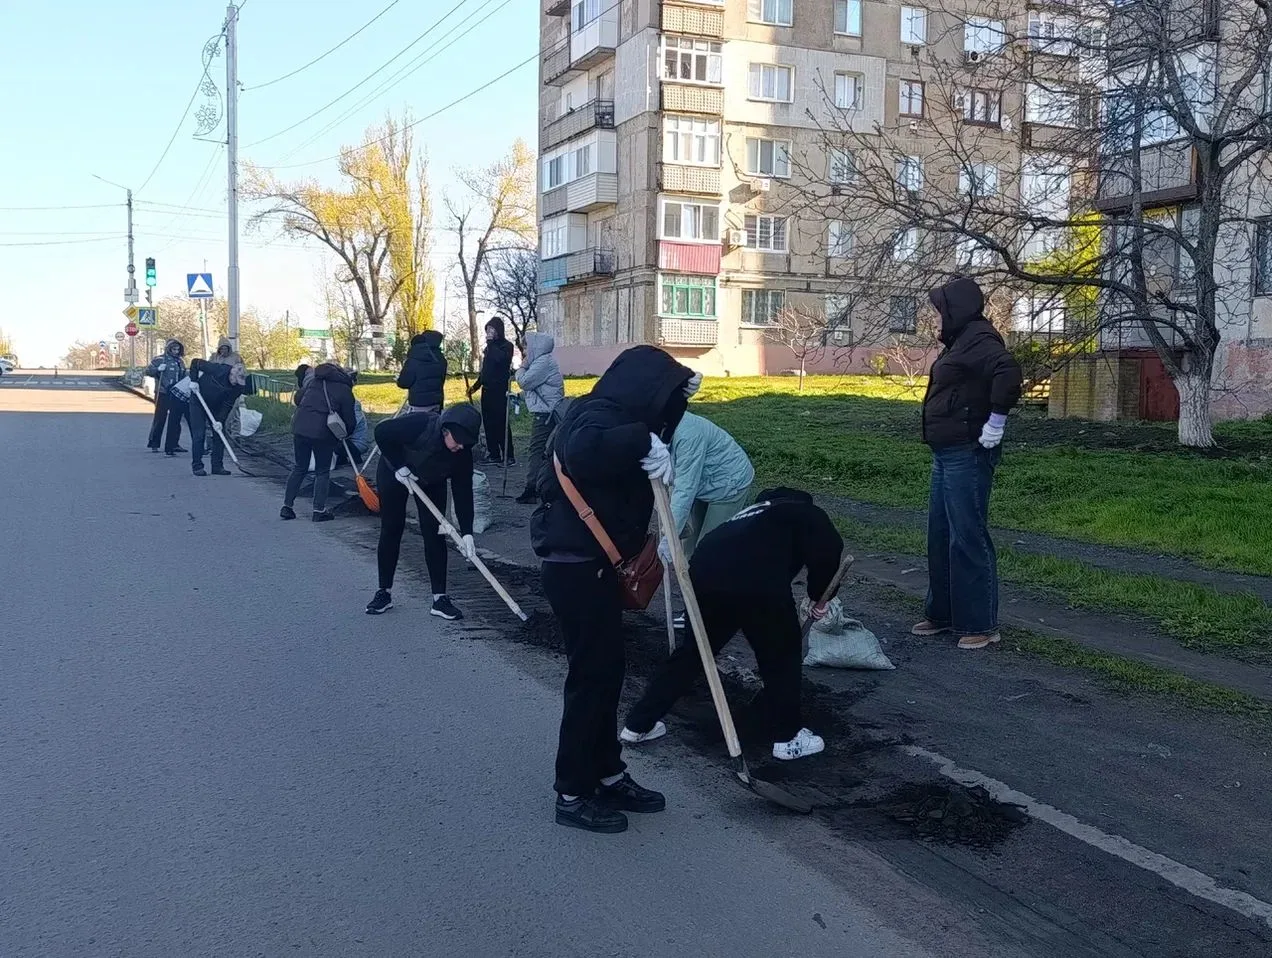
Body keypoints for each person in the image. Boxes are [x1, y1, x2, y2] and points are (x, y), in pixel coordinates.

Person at [532, 344, 696, 834]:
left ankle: (606, 771)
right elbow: (585, 452)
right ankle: (572, 791)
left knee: (607, 674)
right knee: (590, 680)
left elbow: (647, 433)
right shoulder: (595, 417)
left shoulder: (617, 415)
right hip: (577, 569)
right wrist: (642, 440)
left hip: (597, 568)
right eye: (664, 394)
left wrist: (674, 404)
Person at [621, 487, 842, 761]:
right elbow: (829, 551)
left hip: (704, 574)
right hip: (756, 579)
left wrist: (816, 595)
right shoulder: (808, 513)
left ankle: (638, 724)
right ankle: (788, 738)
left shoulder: (750, 515)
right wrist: (819, 596)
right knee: (782, 655)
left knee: (693, 653)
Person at [911, 276, 1022, 651]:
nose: (936, 317)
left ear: (956, 309)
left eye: (939, 310)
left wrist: (996, 421)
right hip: (946, 453)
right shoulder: (961, 339)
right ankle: (942, 614)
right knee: (941, 534)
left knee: (967, 535)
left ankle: (980, 624)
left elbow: (1008, 372)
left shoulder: (980, 338)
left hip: (968, 452)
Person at [365, 405, 483, 621]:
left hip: (431, 480)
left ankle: (440, 598)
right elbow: (382, 432)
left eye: (466, 443)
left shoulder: (462, 454)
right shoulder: (420, 425)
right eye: (458, 441)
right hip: (395, 472)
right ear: (445, 431)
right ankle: (384, 592)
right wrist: (399, 466)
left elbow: (463, 492)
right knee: (392, 527)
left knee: (435, 532)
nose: (460, 446)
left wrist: (467, 533)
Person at [280, 362, 357, 522]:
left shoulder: (314, 381)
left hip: (300, 428)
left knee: (299, 467)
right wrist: (345, 434)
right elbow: (350, 419)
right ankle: (318, 511)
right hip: (323, 433)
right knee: (322, 471)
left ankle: (287, 507)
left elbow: (298, 399)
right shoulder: (344, 389)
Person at [514, 331, 565, 504]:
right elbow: (538, 389)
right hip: (546, 411)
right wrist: (519, 397)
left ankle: (532, 489)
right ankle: (545, 486)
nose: (524, 351)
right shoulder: (542, 361)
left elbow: (525, 382)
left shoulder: (543, 362)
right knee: (546, 449)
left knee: (536, 449)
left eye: (525, 347)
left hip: (545, 413)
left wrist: (521, 368)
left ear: (534, 346)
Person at [187, 358, 249, 476]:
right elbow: (195, 362)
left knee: (220, 433)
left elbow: (228, 404)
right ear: (231, 375)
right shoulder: (218, 369)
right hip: (198, 400)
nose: (236, 384)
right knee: (199, 434)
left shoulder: (239, 387)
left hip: (217, 406)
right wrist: (194, 380)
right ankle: (197, 466)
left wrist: (220, 420)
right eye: (235, 381)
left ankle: (217, 466)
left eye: (239, 382)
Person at [468, 317, 514, 464]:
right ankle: (494, 454)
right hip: (487, 391)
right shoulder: (489, 348)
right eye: (487, 329)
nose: (489, 333)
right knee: (488, 424)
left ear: (498, 330)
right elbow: (486, 371)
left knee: (501, 422)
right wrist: (475, 386)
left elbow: (500, 360)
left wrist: (491, 344)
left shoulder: (506, 346)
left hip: (499, 391)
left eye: (492, 329)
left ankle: (508, 455)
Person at [144, 339, 189, 456]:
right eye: (174, 349)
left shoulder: (180, 361)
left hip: (176, 393)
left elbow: (183, 375)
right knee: (160, 418)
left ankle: (174, 443)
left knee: (176, 420)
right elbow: (148, 371)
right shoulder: (159, 359)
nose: (176, 351)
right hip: (163, 392)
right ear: (169, 349)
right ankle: (154, 443)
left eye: (178, 349)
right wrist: (157, 369)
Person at [397, 330, 447, 414]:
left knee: (418, 421)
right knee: (434, 421)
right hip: (437, 401)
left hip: (419, 402)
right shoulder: (441, 359)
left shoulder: (414, 358)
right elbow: (441, 380)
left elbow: (404, 383)